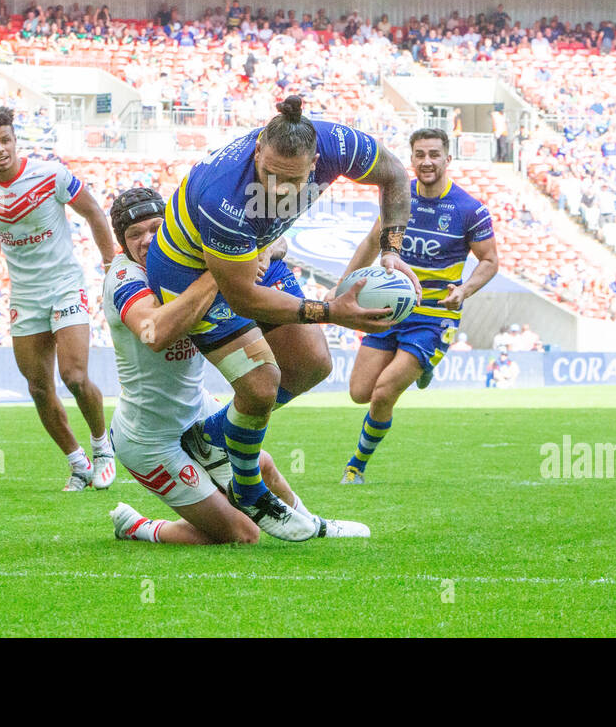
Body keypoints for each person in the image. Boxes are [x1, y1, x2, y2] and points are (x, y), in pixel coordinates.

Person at [144, 95, 419, 540]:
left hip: (254, 250)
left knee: (312, 364)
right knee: (260, 383)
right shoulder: (224, 197)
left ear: (316, 162)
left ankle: (208, 437)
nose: (277, 189)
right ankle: (250, 491)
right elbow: (243, 298)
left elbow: (394, 174)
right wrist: (332, 312)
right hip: (189, 269)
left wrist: (391, 249)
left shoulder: (339, 145)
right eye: (268, 175)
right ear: (257, 151)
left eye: (291, 180)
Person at [102, 188, 366, 543]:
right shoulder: (124, 278)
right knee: (244, 534)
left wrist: (258, 252)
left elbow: (276, 242)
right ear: (123, 244)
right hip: (149, 438)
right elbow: (155, 333)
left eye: (155, 228)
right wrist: (221, 272)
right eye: (136, 235)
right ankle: (138, 527)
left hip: (196, 410)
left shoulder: (181, 256)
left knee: (264, 466)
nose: (147, 240)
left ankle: (315, 527)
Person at [329, 128, 498, 483]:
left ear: (447, 159)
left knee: (383, 392)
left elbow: (489, 261)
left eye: (434, 154)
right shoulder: (399, 197)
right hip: (390, 308)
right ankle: (422, 369)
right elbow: (372, 242)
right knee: (359, 392)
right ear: (412, 159)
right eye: (420, 154)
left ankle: (355, 466)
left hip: (434, 317)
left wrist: (465, 290)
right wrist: (341, 286)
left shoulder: (471, 210)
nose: (427, 161)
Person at [0, 106, 119, 492]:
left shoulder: (50, 174)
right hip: (26, 295)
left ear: (15, 140)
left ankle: (102, 448)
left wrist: (110, 264)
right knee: (37, 387)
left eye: (5, 140)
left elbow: (95, 213)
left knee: (75, 376)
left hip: (65, 285)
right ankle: (78, 462)